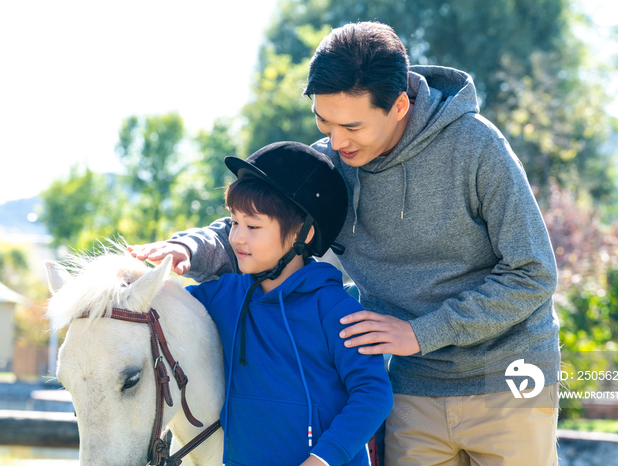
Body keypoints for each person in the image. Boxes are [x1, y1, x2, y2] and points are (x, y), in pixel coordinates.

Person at [130, 22, 560, 466]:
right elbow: (262, 223)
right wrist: (185, 249)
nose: (335, 142)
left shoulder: (476, 147)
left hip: (507, 377)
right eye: (323, 121)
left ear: (398, 106)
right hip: (408, 384)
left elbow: (533, 273)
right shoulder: (336, 162)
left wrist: (421, 332)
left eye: (351, 125)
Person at [184, 141, 393, 466]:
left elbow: (373, 393)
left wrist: (323, 459)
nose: (237, 237)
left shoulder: (335, 310)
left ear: (303, 233)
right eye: (234, 222)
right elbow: (162, 318)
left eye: (253, 226)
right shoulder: (220, 295)